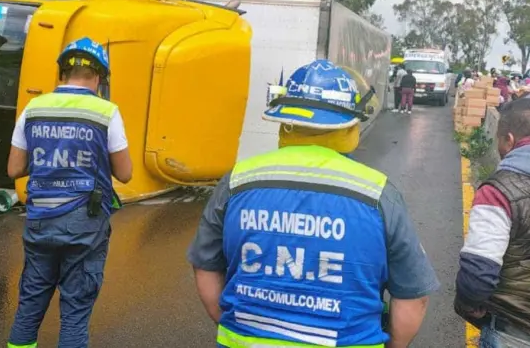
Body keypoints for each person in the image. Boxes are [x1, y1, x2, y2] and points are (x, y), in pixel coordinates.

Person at [188, 59, 440, 348]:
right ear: (350, 125)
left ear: (286, 121)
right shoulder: (378, 193)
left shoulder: (237, 181)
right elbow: (413, 296)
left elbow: (205, 265)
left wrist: (232, 324)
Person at [6, 37, 133, 348]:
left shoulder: (33, 108)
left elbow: (14, 169)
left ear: (62, 73)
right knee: (75, 314)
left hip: (40, 222)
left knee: (29, 307)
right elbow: (125, 173)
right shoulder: (106, 112)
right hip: (84, 226)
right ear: (99, 77)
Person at [455, 98, 530, 346]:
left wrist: (468, 305)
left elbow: (478, 271)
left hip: (514, 330)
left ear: (509, 140)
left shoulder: (500, 190)